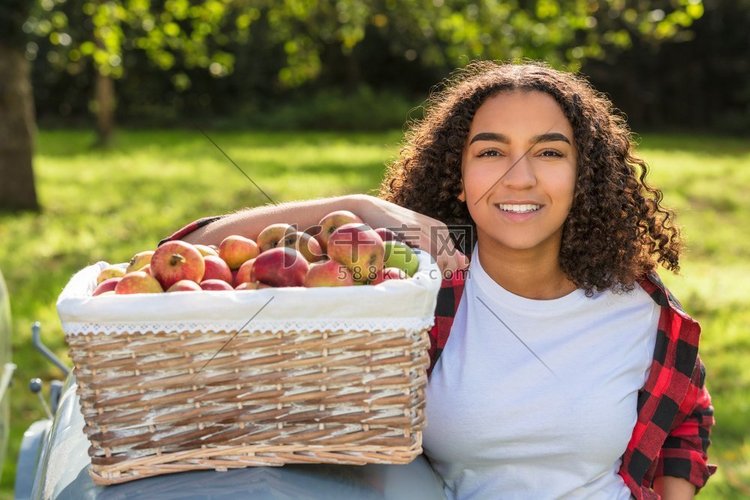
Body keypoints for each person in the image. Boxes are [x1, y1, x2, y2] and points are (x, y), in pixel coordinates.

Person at [164, 61, 715, 499]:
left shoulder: (637, 304)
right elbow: (186, 249)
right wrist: (357, 206)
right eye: (491, 151)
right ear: (458, 175)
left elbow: (685, 419)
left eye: (549, 152)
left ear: (585, 175)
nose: (518, 177)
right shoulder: (415, 281)